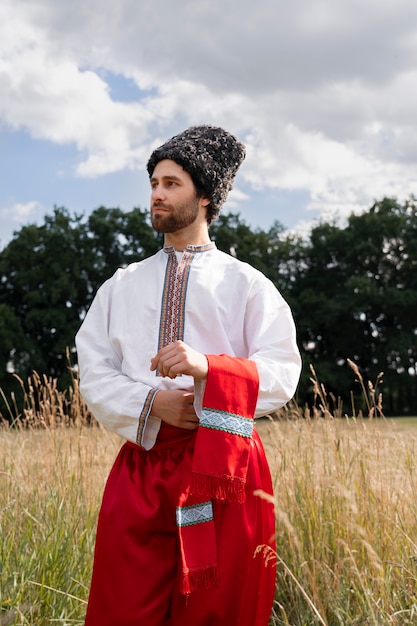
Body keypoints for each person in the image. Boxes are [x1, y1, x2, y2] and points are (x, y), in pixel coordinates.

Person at [75, 124, 301, 626]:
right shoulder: (120, 285)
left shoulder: (247, 284)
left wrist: (207, 371)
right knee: (123, 607)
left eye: (171, 183)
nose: (156, 193)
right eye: (154, 182)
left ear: (204, 196)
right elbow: (93, 368)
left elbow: (284, 373)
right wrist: (152, 404)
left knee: (218, 611)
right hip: (143, 466)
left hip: (226, 473)